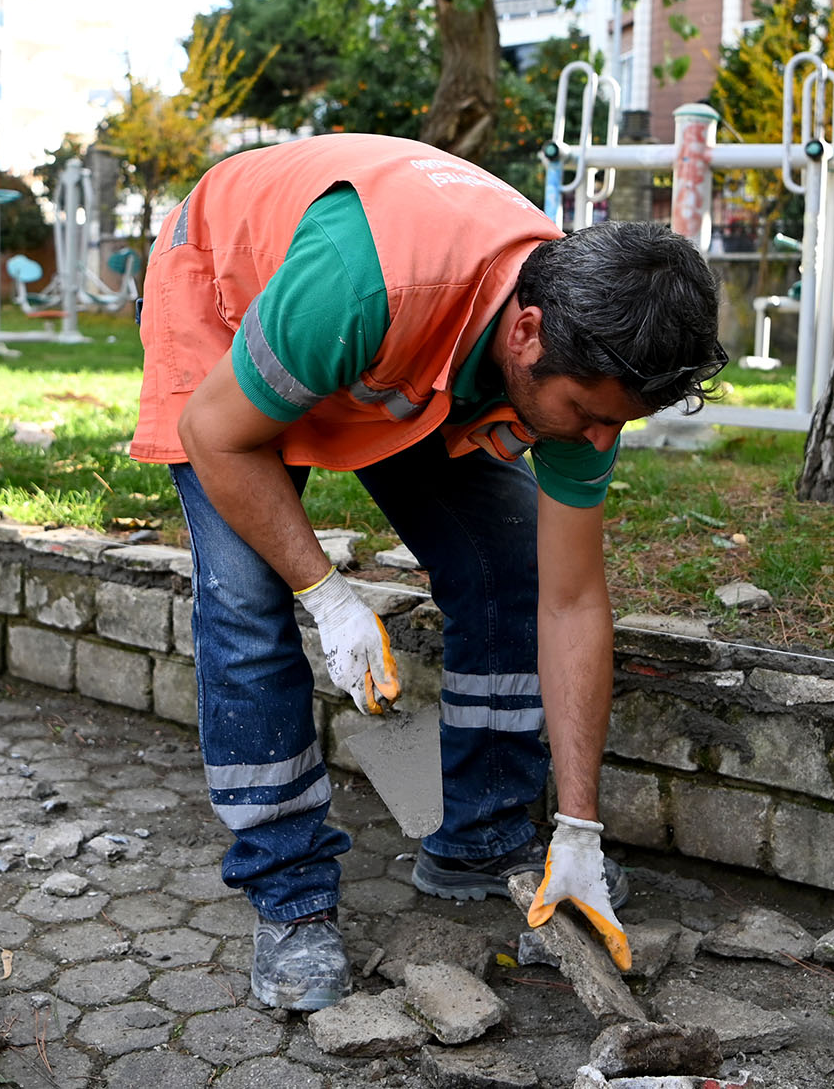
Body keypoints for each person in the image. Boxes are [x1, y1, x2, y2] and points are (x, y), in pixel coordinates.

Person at [131, 132, 726, 1011]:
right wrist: (326, 593)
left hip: (402, 348)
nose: (599, 442)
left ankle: (482, 836)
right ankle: (288, 890)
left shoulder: (584, 351)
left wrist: (581, 828)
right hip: (232, 289)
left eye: (617, 425)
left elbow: (569, 602)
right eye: (588, 417)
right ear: (527, 334)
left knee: (511, 564)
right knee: (249, 597)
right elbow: (218, 436)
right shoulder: (364, 279)